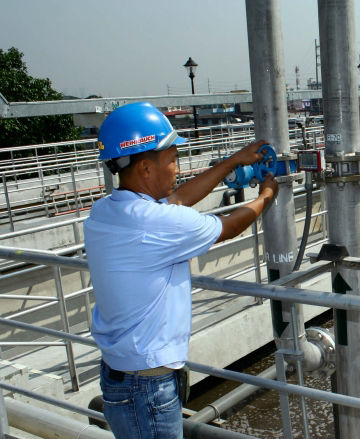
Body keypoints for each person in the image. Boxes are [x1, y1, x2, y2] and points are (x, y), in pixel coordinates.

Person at [84, 102, 278, 438]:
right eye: (172, 159)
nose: (177, 168)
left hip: (124, 375)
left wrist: (233, 161)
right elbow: (229, 227)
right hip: (147, 385)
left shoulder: (107, 210)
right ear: (145, 168)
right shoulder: (154, 223)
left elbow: (177, 200)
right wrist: (266, 195)